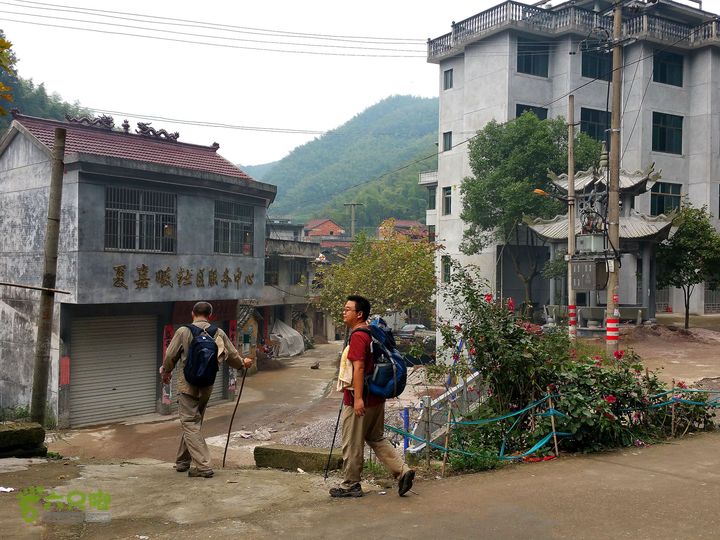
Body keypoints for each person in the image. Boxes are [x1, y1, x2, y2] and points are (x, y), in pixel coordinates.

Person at [329, 295, 415, 498]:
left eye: (348, 309)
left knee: (352, 442)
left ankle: (351, 485)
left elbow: (358, 368)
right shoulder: (371, 333)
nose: (344, 312)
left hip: (361, 399)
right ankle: (403, 471)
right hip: (376, 396)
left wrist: (357, 399)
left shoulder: (359, 336)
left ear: (359, 314)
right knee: (376, 438)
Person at [161, 301, 253, 478]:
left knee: (189, 423)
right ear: (211, 315)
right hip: (207, 386)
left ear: (192, 313)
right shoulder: (218, 332)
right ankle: (182, 462)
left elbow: (170, 355)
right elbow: (233, 356)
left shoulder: (183, 331)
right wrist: (243, 363)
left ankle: (203, 466)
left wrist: (166, 372)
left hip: (187, 385)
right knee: (193, 423)